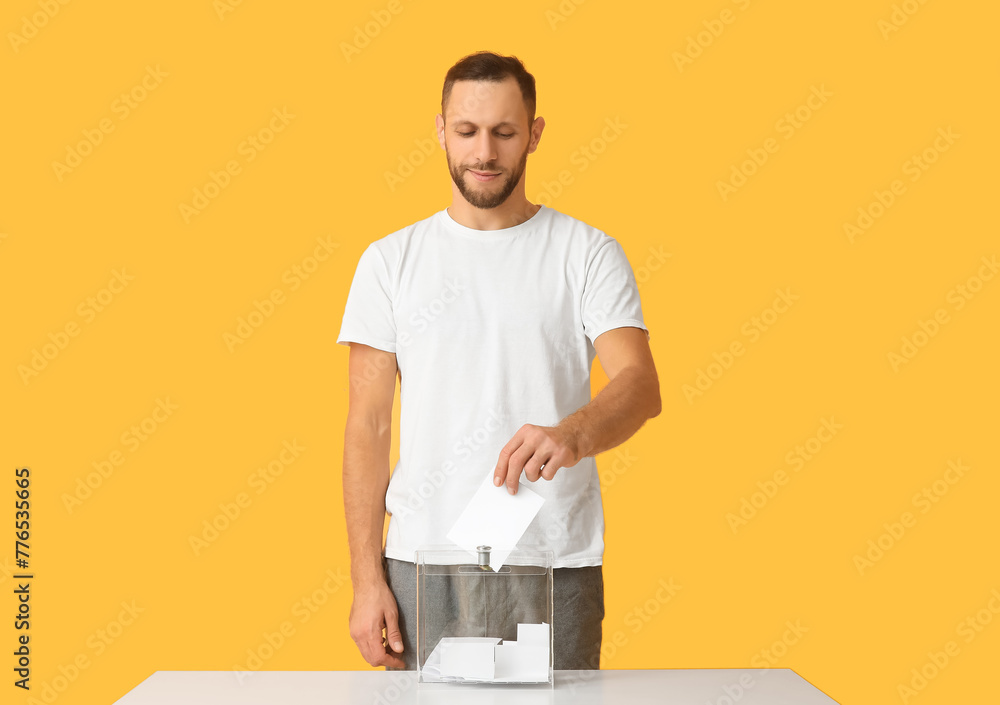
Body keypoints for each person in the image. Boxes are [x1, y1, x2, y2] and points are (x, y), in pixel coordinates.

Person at [337, 50, 661, 672]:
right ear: (440, 131)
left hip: (553, 557)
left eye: (504, 132)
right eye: (466, 131)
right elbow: (368, 427)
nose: (484, 152)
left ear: (534, 134)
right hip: (422, 562)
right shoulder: (390, 261)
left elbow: (640, 385)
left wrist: (573, 432)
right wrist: (365, 579)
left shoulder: (586, 253)